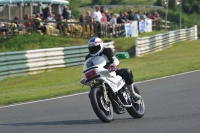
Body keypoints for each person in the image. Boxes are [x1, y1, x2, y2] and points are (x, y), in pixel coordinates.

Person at [85, 37, 141, 102]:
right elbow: (88, 68)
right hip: (99, 75)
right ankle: (102, 103)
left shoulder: (107, 50)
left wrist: (113, 64)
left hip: (111, 71)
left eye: (95, 48)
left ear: (101, 46)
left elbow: (115, 59)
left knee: (127, 72)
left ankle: (132, 93)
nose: (93, 50)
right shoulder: (88, 57)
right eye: (91, 49)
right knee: (91, 94)